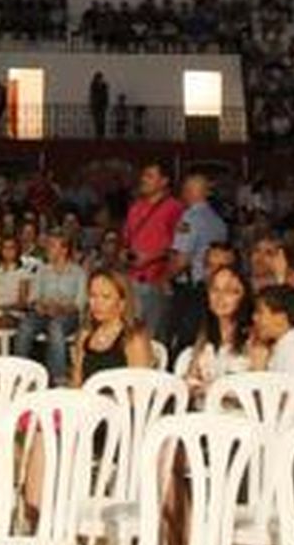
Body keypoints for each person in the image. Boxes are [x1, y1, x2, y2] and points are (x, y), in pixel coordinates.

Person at [122, 162, 184, 343]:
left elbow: (179, 246)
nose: (143, 179)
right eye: (143, 175)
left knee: (154, 337)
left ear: (164, 181)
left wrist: (151, 257)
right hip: (131, 280)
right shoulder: (135, 207)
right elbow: (126, 239)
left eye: (149, 176)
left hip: (156, 281)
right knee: (130, 335)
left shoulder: (175, 208)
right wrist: (125, 253)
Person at [14, 233, 87, 385]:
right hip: (44, 312)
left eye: (53, 246)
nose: (48, 249)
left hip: (68, 314)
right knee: (25, 325)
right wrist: (40, 305)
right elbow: (33, 298)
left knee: (56, 326)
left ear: (64, 250)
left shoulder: (78, 272)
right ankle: (21, 374)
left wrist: (61, 308)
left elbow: (79, 304)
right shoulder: (43, 270)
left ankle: (57, 379)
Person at [168, 173, 228, 353]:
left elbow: (182, 259)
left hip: (190, 288)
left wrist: (165, 278)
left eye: (185, 190)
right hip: (213, 284)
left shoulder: (189, 218)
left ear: (190, 192)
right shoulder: (218, 220)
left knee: (183, 341)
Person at [69, 269, 154, 386]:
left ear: (122, 302)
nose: (97, 303)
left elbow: (141, 388)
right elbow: (77, 381)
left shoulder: (133, 338)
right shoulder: (86, 335)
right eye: (93, 296)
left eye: (106, 297)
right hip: (87, 401)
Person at [183, 264, 252, 404]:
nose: (220, 297)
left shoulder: (253, 340)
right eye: (215, 289)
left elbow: (255, 392)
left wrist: (211, 390)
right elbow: (189, 379)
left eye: (230, 291)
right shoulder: (204, 336)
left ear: (244, 296)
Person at [249, 284, 294, 380]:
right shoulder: (287, 346)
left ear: (281, 317)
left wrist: (259, 371)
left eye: (260, 312)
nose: (254, 318)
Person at [89, 71, 110, 138]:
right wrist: (92, 106)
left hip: (102, 106)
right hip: (96, 106)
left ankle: (102, 136)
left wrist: (106, 104)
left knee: (102, 122)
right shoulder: (93, 85)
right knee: (97, 122)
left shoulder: (104, 85)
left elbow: (106, 95)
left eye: (101, 78)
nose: (100, 79)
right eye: (99, 78)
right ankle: (97, 136)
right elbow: (94, 96)